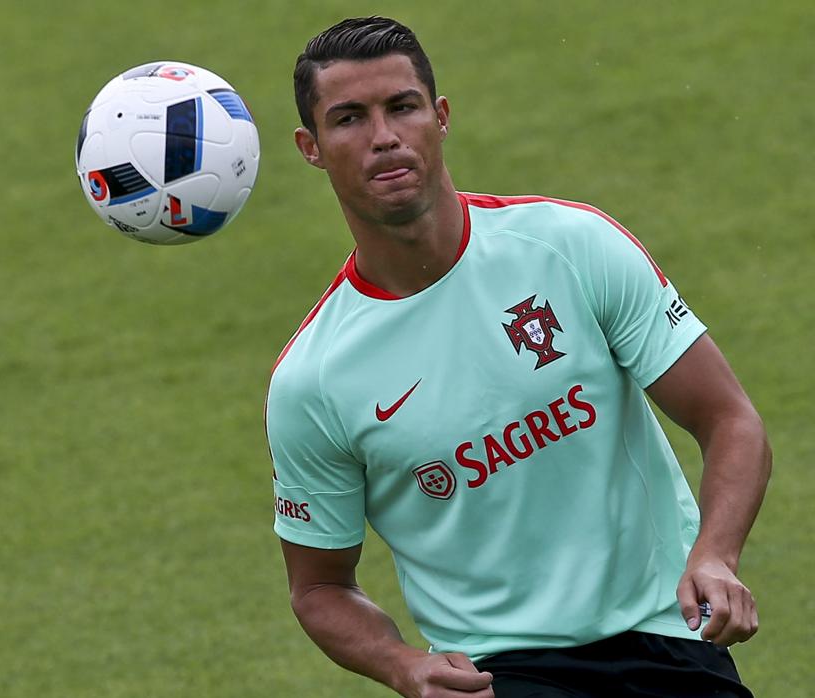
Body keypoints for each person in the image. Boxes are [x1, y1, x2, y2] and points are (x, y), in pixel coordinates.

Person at [266, 16, 771, 698]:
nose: (383, 136)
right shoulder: (313, 378)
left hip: (668, 639)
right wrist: (403, 664)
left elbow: (729, 418)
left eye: (402, 107)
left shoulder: (570, 246)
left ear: (440, 117)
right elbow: (319, 586)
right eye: (349, 118)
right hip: (503, 673)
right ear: (312, 146)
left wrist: (714, 555)